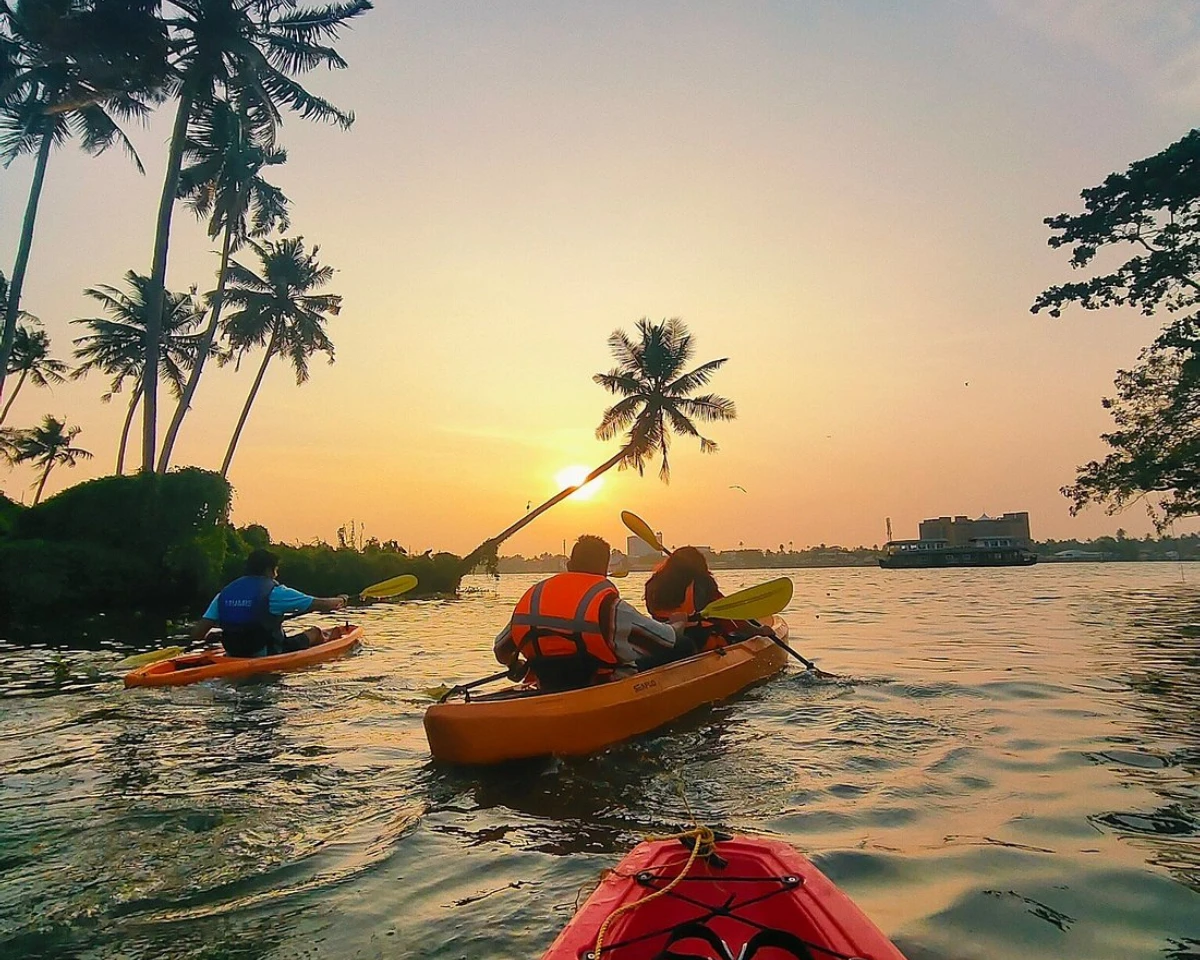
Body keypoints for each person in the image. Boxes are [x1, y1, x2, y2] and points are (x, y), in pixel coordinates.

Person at [493, 535, 693, 691]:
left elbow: (502, 651)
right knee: (684, 644)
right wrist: (678, 623)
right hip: (599, 684)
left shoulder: (535, 597)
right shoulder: (609, 606)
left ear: (570, 565)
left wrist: (520, 667)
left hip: (547, 682)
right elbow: (666, 640)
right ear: (604, 568)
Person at [189, 549, 349, 657]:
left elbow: (198, 634)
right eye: (276, 569)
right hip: (268, 653)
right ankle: (327, 640)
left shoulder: (224, 594)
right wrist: (342, 599)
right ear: (269, 570)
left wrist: (219, 635)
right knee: (315, 632)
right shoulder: (275, 592)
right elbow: (322, 604)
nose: (276, 574)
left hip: (233, 652)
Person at [644, 546, 774, 651]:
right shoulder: (702, 583)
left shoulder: (652, 584)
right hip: (700, 641)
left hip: (663, 637)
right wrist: (758, 631)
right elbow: (729, 618)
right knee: (737, 635)